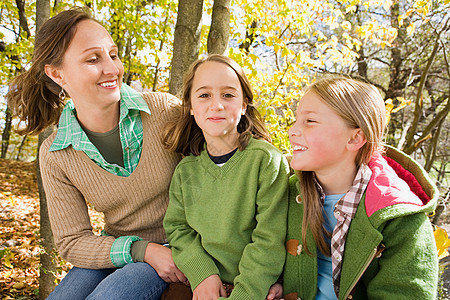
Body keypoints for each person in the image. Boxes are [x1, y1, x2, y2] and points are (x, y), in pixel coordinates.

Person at [6, 7, 187, 300]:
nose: (112, 69)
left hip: (181, 243)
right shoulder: (56, 153)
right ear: (57, 74)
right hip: (121, 248)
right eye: (93, 59)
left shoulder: (165, 111)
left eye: (113, 55)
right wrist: (140, 249)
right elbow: (73, 241)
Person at [270, 76, 439, 300]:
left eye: (309, 121)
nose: (292, 131)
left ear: (355, 138)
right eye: (296, 120)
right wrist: (277, 282)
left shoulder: (400, 218)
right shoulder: (284, 192)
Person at [161, 54, 289, 299]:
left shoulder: (265, 160)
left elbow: (269, 239)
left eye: (228, 95)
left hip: (254, 287)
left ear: (243, 105)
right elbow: (178, 229)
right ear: (190, 106)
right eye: (204, 95)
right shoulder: (186, 171)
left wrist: (245, 293)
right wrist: (203, 274)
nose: (216, 105)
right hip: (200, 284)